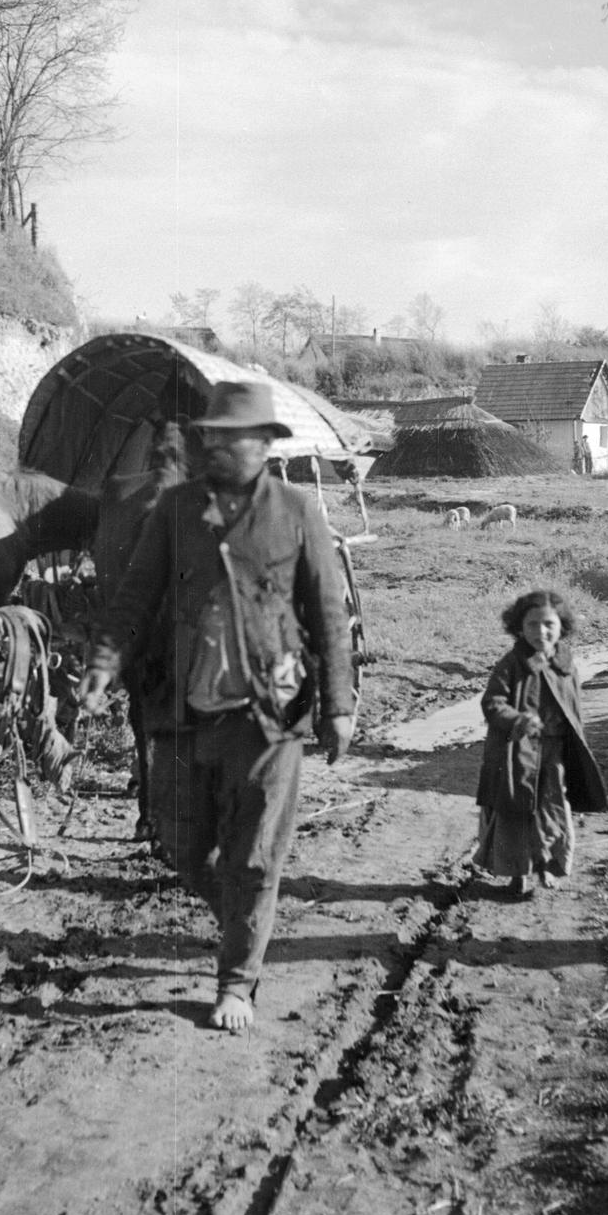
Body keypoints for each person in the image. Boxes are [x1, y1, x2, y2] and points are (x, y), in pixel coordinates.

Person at [79, 380, 356, 1034]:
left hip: (270, 712)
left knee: (255, 856)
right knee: (180, 842)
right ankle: (240, 916)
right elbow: (134, 598)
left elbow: (329, 615)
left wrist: (337, 705)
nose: (221, 446)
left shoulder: (296, 509)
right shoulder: (176, 510)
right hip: (184, 706)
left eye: (235, 438)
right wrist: (102, 664)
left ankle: (237, 982)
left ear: (263, 444)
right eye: (214, 436)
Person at [474, 589, 608, 898]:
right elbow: (492, 703)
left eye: (548, 624)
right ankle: (517, 873)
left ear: (562, 626)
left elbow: (574, 710)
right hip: (516, 753)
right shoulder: (511, 664)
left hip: (554, 753)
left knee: (551, 808)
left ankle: (547, 865)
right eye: (532, 624)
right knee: (515, 811)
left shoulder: (566, 665)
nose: (541, 632)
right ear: (519, 628)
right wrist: (517, 719)